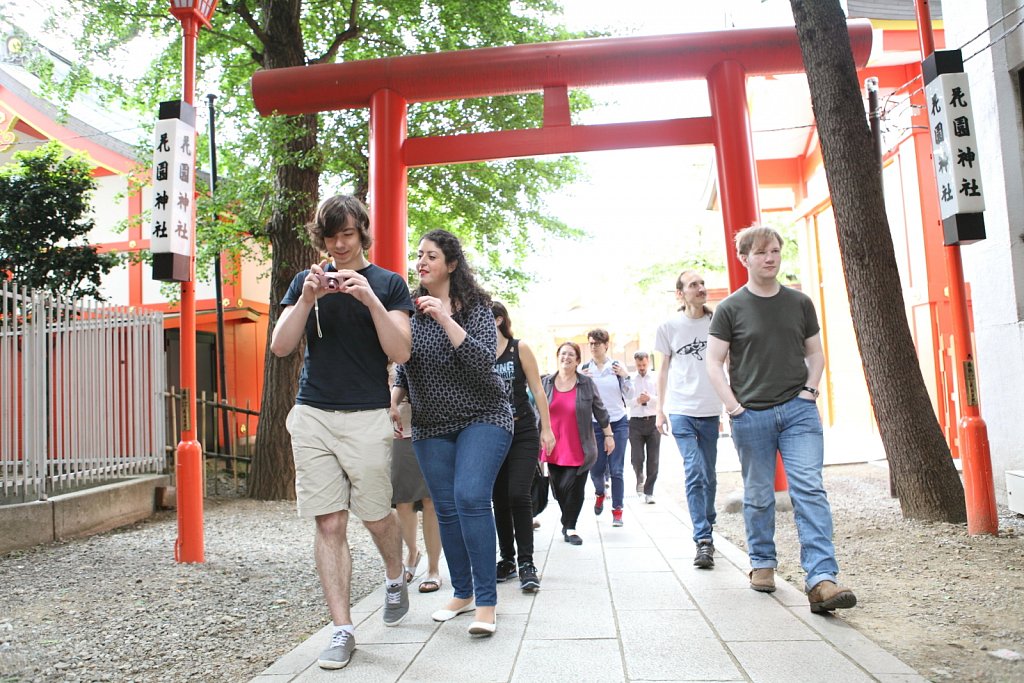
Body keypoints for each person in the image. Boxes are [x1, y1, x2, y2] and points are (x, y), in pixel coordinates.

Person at [269, 194, 414, 670]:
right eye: (331, 237)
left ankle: (395, 575)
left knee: (375, 516)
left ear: (362, 232)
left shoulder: (390, 284)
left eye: (348, 234)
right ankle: (342, 629)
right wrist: (308, 297)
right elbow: (281, 346)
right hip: (313, 413)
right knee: (329, 521)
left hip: (367, 414)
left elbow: (401, 352)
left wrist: (368, 297)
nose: (339, 245)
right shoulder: (304, 282)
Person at [706, 225, 857, 613]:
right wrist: (734, 407)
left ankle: (822, 579)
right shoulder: (730, 309)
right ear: (744, 259)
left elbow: (815, 353)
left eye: (774, 251)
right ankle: (762, 563)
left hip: (797, 411)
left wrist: (810, 392)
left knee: (808, 488)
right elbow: (714, 362)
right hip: (750, 414)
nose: (769, 258)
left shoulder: (799, 302)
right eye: (760, 253)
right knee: (758, 494)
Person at [391, 229, 512, 637]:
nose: (421, 262)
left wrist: (443, 316)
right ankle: (461, 592)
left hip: (484, 414)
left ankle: (487, 602)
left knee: (470, 497)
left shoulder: (475, 306)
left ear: (452, 264)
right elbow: (403, 361)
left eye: (431, 256)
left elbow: (482, 359)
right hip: (430, 421)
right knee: (444, 506)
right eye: (419, 255)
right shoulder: (406, 306)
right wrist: (396, 393)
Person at [655, 270, 722, 570]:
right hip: (681, 410)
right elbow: (663, 370)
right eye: (693, 285)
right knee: (694, 470)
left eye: (702, 283)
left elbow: (727, 364)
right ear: (680, 293)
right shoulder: (668, 327)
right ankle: (703, 540)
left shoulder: (717, 323)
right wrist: (660, 409)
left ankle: (707, 519)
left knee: (709, 474)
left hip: (711, 410)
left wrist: (731, 404)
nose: (701, 288)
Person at [491, 302, 556, 593]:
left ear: (499, 319)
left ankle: (527, 562)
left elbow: (538, 389)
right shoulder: (475, 350)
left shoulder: (519, 348)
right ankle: (507, 559)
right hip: (491, 433)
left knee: (518, 493)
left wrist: (547, 428)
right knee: (499, 498)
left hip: (523, 430)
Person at [541, 341, 613, 545]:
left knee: (575, 487)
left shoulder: (586, 383)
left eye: (571, 354)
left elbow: (600, 410)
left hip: (579, 446)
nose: (566, 357)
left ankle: (570, 527)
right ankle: (567, 521)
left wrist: (609, 435)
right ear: (558, 357)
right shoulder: (545, 382)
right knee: (559, 489)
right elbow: (536, 410)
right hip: (552, 445)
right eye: (563, 354)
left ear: (578, 360)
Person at [389, 383, 442, 594]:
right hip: (400, 431)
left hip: (434, 428)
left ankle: (433, 569)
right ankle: (412, 553)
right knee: (403, 502)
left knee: (431, 501)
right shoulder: (384, 357)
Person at [580, 328, 633, 527]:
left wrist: (626, 376)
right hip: (594, 425)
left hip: (618, 423)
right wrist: (580, 381)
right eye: (591, 343)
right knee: (596, 470)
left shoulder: (616, 367)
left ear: (606, 345)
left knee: (617, 469)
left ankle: (617, 511)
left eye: (597, 343)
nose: (593, 347)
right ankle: (600, 493)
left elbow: (629, 395)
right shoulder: (584, 369)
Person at [628, 351, 661, 504]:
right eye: (639, 365)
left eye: (644, 365)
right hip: (635, 422)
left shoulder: (655, 378)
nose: (641, 367)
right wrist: (638, 400)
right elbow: (626, 401)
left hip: (653, 421)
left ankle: (649, 492)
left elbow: (662, 399)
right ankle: (639, 478)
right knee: (637, 458)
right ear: (635, 364)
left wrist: (650, 399)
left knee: (653, 459)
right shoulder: (630, 379)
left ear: (648, 362)